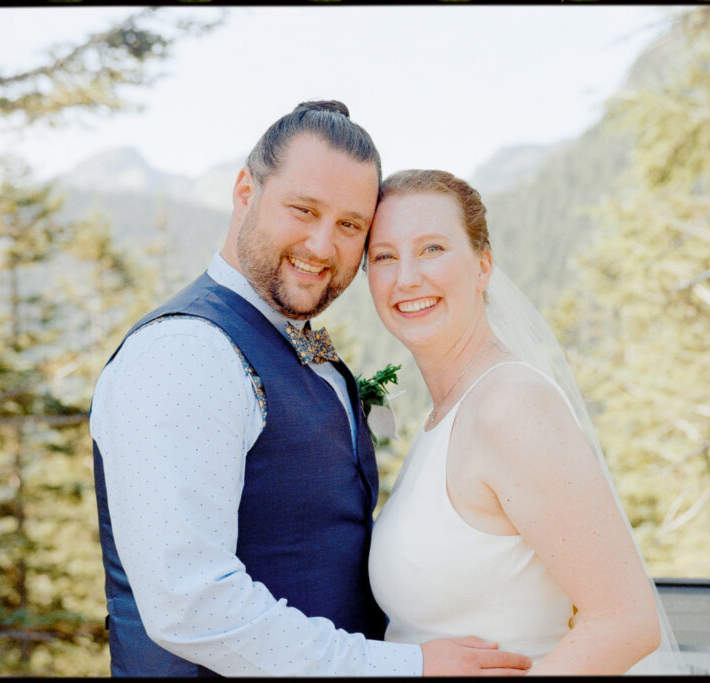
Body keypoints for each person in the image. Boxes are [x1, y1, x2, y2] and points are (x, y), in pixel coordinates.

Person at [89, 102, 533, 677]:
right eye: (303, 210)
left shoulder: (296, 347)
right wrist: (406, 667)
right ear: (246, 191)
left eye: (350, 225)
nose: (323, 247)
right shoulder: (184, 352)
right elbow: (189, 604)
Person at [365, 170, 685, 675]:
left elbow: (625, 622)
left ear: (483, 266)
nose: (406, 277)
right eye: (384, 256)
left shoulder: (510, 405)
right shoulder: (445, 415)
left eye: (432, 249)